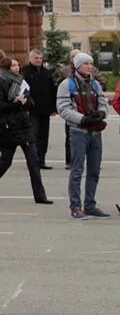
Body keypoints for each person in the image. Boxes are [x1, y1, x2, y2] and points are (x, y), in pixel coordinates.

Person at [0, 55, 52, 205]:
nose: (17, 68)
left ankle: (40, 196)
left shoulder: (21, 82)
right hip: (8, 126)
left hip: (23, 125)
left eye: (17, 65)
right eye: (13, 66)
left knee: (33, 160)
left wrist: (26, 102)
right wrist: (16, 103)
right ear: (6, 67)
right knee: (6, 160)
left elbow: (30, 102)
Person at [56, 52, 110, 219]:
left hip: (95, 132)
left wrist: (101, 113)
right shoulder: (67, 84)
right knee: (77, 170)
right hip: (78, 131)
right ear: (78, 65)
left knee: (94, 170)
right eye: (86, 63)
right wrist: (83, 118)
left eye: (91, 63)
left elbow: (102, 102)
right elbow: (63, 108)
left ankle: (90, 205)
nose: (90, 66)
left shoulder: (95, 84)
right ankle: (75, 207)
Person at [22, 49, 56, 170]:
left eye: (40, 58)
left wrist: (54, 108)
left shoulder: (47, 73)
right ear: (30, 58)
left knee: (43, 136)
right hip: (32, 110)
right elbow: (23, 92)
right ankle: (32, 161)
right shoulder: (25, 72)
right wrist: (25, 107)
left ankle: (41, 161)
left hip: (45, 110)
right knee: (33, 136)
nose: (39, 60)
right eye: (36, 58)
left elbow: (53, 91)